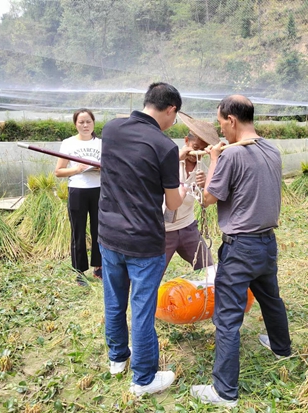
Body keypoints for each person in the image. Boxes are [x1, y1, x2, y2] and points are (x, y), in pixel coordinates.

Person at [190, 95, 292, 407]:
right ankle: (281, 347)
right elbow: (242, 189)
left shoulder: (232, 156)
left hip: (240, 247)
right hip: (266, 242)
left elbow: (208, 198)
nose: (221, 131)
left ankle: (224, 391)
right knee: (270, 298)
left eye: (221, 124)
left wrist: (215, 160)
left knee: (227, 317)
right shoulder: (270, 149)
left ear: (231, 120)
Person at [98, 82, 186, 396]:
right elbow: (174, 203)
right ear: (171, 110)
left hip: (108, 234)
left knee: (114, 301)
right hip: (144, 242)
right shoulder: (165, 146)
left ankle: (117, 359)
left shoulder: (111, 129)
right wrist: (185, 188)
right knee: (142, 309)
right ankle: (144, 379)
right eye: (175, 117)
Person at [163, 112, 220, 274]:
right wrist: (175, 161)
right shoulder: (169, 159)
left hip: (188, 227)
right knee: (154, 274)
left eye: (203, 150)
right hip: (164, 230)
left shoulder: (203, 168)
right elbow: (153, 180)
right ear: (186, 141)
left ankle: (208, 298)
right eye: (195, 148)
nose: (197, 154)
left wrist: (204, 185)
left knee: (207, 267)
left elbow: (205, 202)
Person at [55, 108, 102, 286]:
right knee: (78, 231)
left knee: (99, 230)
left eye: (88, 121)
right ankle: (80, 271)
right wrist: (77, 169)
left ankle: (99, 267)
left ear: (93, 123)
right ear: (75, 124)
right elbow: (58, 171)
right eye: (81, 122)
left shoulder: (101, 143)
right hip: (77, 190)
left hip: (98, 190)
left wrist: (100, 168)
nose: (85, 125)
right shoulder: (68, 143)